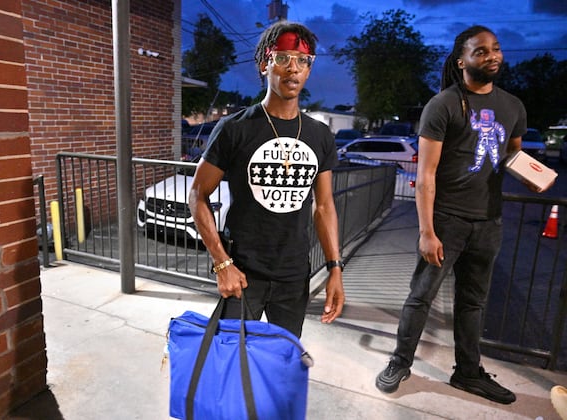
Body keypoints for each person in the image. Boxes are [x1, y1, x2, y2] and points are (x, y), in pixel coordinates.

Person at [375, 25, 553, 404]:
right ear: (462, 61)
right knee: (421, 296)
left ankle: (468, 373)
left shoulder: (513, 106)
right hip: (446, 220)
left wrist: (534, 176)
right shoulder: (443, 105)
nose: (492, 56)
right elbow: (425, 173)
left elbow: (513, 155)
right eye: (481, 51)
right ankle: (400, 362)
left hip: (489, 221)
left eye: (496, 49)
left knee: (474, 302)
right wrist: (427, 231)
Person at [188, 21, 345, 338]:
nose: (294, 68)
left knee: (281, 364)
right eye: (283, 58)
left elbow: (325, 206)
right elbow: (197, 196)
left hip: (293, 274)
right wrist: (222, 264)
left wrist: (334, 269)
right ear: (264, 64)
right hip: (243, 271)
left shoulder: (320, 135)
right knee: (230, 359)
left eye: (303, 61)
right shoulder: (235, 128)